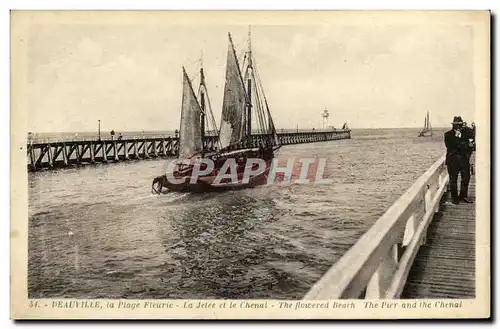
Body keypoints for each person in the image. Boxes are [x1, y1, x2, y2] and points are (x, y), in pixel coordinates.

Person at [444, 116, 473, 204]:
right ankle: (454, 198)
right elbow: (450, 146)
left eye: (459, 125)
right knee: (453, 180)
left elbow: (472, 146)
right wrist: (463, 143)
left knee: (466, 179)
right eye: (455, 125)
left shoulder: (467, 134)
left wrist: (467, 148)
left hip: (464, 160)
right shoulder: (448, 134)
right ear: (453, 125)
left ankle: (463, 196)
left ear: (462, 125)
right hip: (452, 161)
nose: (457, 127)